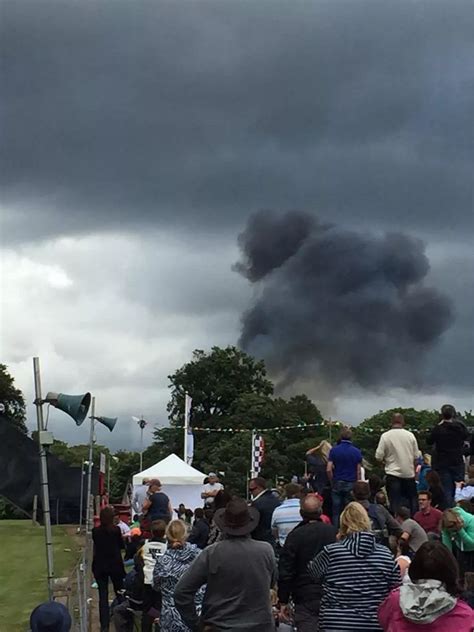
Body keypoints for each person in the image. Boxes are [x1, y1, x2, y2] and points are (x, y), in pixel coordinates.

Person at [174, 497, 277, 632]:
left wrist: (196, 624)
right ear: (250, 523)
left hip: (219, 625)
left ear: (223, 525)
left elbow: (181, 591)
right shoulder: (266, 551)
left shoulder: (212, 553)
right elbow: (272, 583)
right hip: (259, 626)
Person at [308, 502, 401, 631]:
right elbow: (396, 588)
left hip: (336, 623)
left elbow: (313, 573)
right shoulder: (385, 555)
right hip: (373, 623)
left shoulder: (331, 552)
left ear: (343, 525)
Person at [379, 541, 474, 631]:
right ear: (451, 571)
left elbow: (383, 620)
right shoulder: (465, 614)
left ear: (414, 568)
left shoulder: (395, 600)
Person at [278, 495, 337, 631]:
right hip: (331, 592)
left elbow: (286, 569)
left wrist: (283, 599)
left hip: (304, 595)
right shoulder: (333, 533)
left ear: (301, 513)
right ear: (321, 512)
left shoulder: (295, 536)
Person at [153, 519, 202, 631]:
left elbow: (155, 586)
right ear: (186, 534)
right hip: (196, 615)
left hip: (171, 618)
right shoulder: (201, 556)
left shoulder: (162, 561)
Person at [375, 413, 419, 516]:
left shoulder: (385, 436)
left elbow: (378, 456)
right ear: (403, 422)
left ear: (391, 422)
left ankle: (396, 524)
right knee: (412, 502)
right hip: (409, 474)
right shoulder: (410, 435)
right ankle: (413, 522)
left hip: (393, 474)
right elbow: (416, 457)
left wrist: (384, 463)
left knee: (394, 503)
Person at [92, 506, 126, 632]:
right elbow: (121, 546)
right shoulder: (116, 530)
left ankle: (104, 626)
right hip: (115, 565)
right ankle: (123, 620)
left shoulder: (95, 531)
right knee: (120, 592)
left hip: (100, 565)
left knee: (103, 596)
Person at [428, 404, 469, 505]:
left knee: (447, 489)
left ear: (442, 415)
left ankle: (449, 511)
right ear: (453, 414)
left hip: (443, 463)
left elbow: (429, 441)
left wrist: (439, 425)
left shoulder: (439, 429)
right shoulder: (460, 428)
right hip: (458, 462)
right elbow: (466, 436)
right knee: (460, 488)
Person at [326, 427, 363, 526]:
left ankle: (336, 530)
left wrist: (332, 481)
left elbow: (328, 469)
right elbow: (358, 471)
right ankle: (349, 529)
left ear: (340, 436)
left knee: (336, 510)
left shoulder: (334, 450)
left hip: (337, 481)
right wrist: (357, 483)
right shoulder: (357, 451)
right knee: (349, 509)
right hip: (351, 482)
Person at [140, 519, 167, 632]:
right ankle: (158, 626)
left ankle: (147, 626)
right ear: (165, 532)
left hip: (147, 581)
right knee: (159, 608)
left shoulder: (145, 544)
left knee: (147, 609)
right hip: (161, 582)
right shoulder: (167, 547)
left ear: (151, 531)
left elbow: (138, 560)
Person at [441, 507, 474, 576]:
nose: (451, 530)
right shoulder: (445, 526)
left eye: (452, 527)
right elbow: (447, 547)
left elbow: (472, 545)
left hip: (472, 549)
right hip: (460, 549)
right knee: (460, 573)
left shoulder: (471, 520)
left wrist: (460, 531)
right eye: (448, 528)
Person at [249, 476, 281, 546]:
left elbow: (252, 524)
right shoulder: (276, 500)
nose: (250, 492)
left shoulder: (257, 504)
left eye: (251, 489)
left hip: (260, 540)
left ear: (259, 488)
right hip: (274, 539)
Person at [271, 482, 302, 548]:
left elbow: (274, 531)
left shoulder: (277, 510)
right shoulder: (305, 507)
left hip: (285, 548)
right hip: (304, 548)